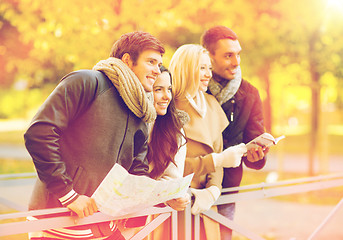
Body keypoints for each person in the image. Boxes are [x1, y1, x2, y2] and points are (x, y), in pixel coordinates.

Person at [24, 31, 165, 240]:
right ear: (127, 60)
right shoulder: (87, 82)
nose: (157, 71)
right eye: (151, 62)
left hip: (104, 225)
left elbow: (137, 168)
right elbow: (39, 132)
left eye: (159, 65)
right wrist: (67, 195)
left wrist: (158, 198)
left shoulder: (140, 109)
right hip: (61, 222)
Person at [169, 44, 246, 240]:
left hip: (204, 207)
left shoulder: (211, 104)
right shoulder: (168, 108)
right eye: (201, 68)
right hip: (175, 207)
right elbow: (167, 166)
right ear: (186, 68)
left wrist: (213, 190)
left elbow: (219, 155)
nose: (208, 74)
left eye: (209, 68)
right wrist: (215, 161)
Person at [201, 25, 269, 239]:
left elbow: (254, 146)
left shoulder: (250, 93)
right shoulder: (193, 87)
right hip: (191, 186)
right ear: (208, 56)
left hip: (227, 189)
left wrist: (258, 155)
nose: (236, 62)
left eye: (238, 54)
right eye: (228, 55)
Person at [143, 66, 190, 240]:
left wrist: (168, 195)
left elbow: (173, 178)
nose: (166, 96)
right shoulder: (129, 124)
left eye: (169, 89)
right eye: (158, 90)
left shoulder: (174, 130)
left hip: (153, 215)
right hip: (119, 214)